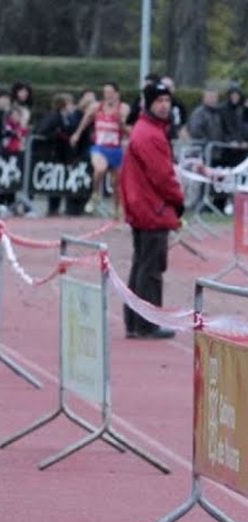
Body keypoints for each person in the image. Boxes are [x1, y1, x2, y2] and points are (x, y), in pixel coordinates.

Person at [121, 81, 184, 341]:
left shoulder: (146, 130)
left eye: (167, 100)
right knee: (150, 269)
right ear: (148, 104)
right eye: (159, 101)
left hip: (143, 206)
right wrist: (178, 201)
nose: (164, 105)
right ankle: (147, 324)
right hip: (152, 208)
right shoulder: (151, 134)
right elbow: (163, 176)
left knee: (141, 265)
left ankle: (135, 322)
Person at [72, 82, 128, 217]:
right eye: (105, 92)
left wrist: (119, 120)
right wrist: (77, 133)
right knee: (100, 169)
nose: (108, 95)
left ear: (117, 94)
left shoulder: (123, 107)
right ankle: (95, 193)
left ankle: (117, 212)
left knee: (116, 184)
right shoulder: (96, 107)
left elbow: (125, 127)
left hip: (115, 148)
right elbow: (86, 119)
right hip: (99, 147)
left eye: (110, 92)